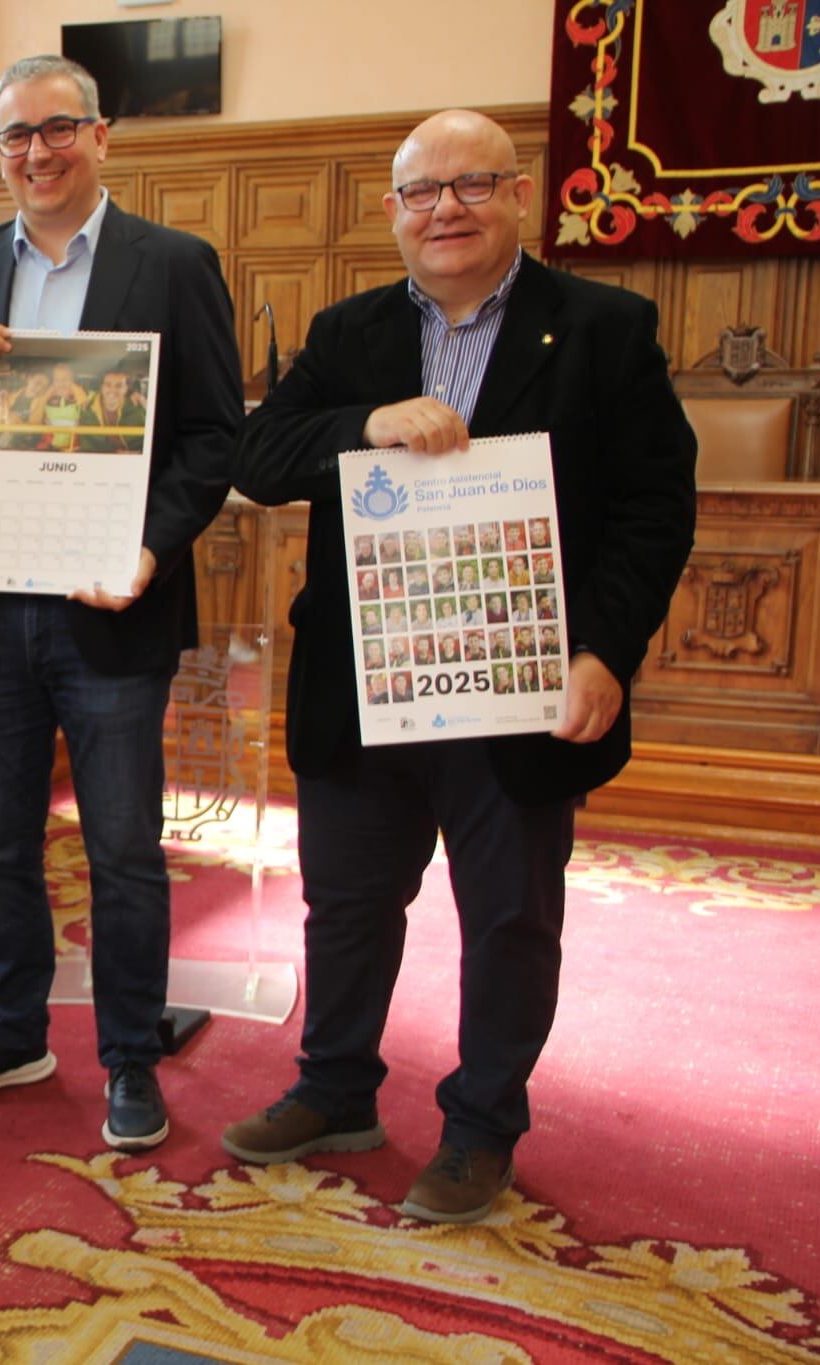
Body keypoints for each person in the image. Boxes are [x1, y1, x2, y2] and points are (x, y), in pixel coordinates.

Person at [222, 109, 696, 1223]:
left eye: (471, 185)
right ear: (390, 212)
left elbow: (653, 510)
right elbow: (257, 453)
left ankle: (481, 1127)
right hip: (365, 688)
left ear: (518, 196)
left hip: (520, 687)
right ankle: (333, 1088)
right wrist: (365, 421)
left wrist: (603, 653)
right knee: (343, 906)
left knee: (506, 920)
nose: (445, 208)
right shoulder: (347, 335)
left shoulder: (601, 328)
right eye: (420, 192)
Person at [0, 54, 240, 1152]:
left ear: (101, 135)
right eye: (14, 137)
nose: (35, 152)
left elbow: (214, 437)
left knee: (124, 847)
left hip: (107, 608)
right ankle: (14, 1030)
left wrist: (147, 547)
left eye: (57, 129)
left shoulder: (171, 264)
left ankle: (130, 1055)